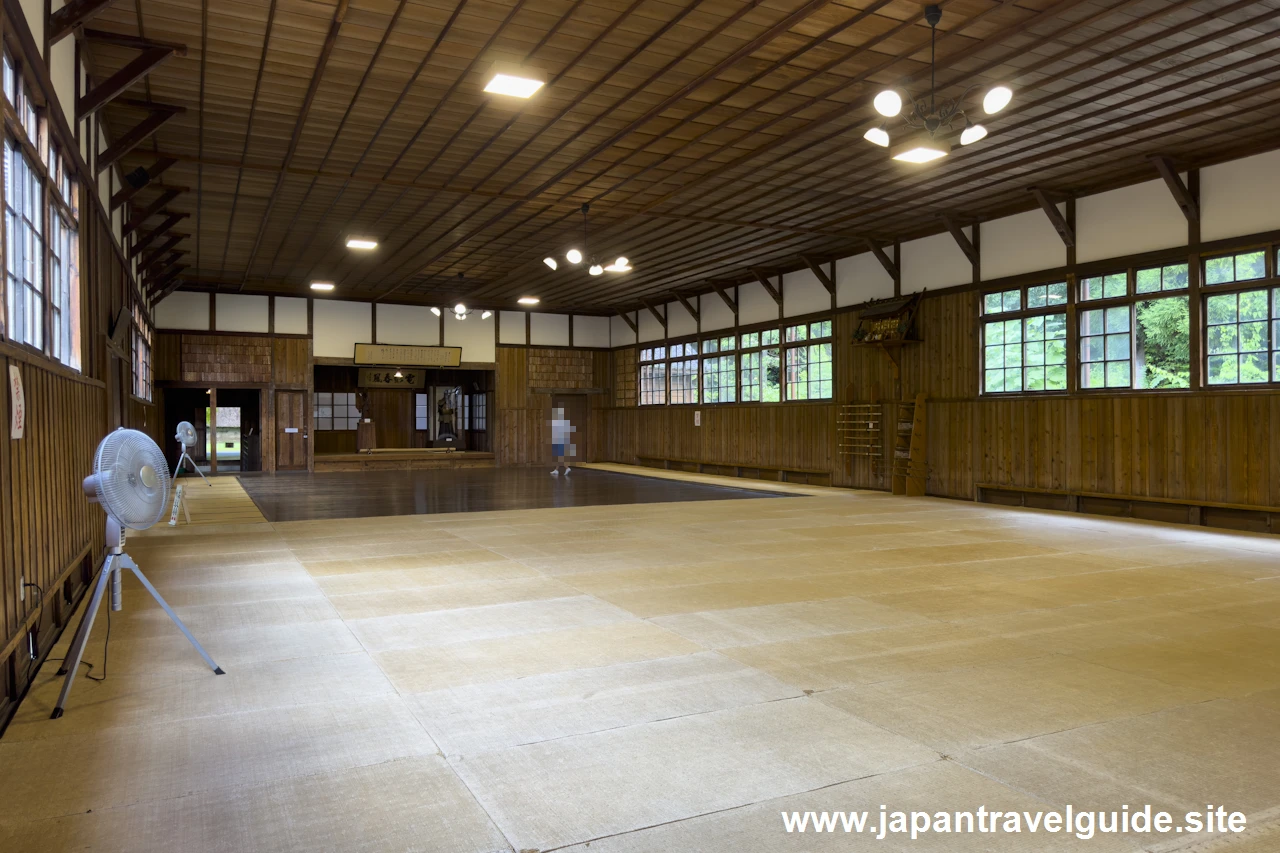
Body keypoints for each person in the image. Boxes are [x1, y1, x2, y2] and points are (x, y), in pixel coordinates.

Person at [549, 407, 575, 475]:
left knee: (560, 456)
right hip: (558, 440)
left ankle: (567, 468)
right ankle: (556, 470)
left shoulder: (561, 422)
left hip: (560, 441)